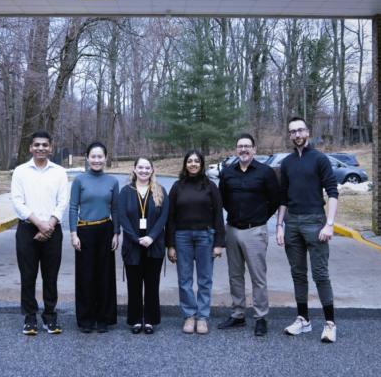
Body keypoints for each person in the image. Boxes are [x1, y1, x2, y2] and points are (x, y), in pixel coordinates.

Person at [275, 116, 340, 343]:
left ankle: (330, 323)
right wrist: (279, 226)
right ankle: (303, 319)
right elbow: (283, 197)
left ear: (308, 132)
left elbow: (332, 192)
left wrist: (329, 224)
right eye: (293, 132)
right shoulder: (287, 163)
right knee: (298, 273)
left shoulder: (320, 159)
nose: (297, 135)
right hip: (292, 221)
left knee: (320, 274)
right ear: (290, 135)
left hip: (315, 221)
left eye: (300, 130)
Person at [217, 133, 281, 337]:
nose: (243, 149)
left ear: (254, 149)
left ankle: (261, 317)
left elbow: (275, 199)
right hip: (233, 230)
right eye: (239, 146)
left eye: (247, 146)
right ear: (236, 150)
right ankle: (238, 315)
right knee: (235, 275)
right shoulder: (227, 173)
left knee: (258, 277)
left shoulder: (266, 172)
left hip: (255, 231)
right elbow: (223, 200)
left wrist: (260, 216)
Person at [10, 130, 70, 336]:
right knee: (28, 275)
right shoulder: (20, 171)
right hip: (27, 229)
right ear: (31, 148)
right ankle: (30, 318)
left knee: (50, 276)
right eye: (37, 145)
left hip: (53, 229)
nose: (41, 148)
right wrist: (39, 224)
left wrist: (49, 226)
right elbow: (17, 202)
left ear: (50, 148)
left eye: (45, 145)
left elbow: (63, 202)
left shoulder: (59, 172)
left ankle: (50, 317)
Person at [166, 150, 225, 335]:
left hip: (205, 237)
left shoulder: (210, 186)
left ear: (201, 164)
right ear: (185, 164)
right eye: (189, 161)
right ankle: (189, 316)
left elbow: (218, 216)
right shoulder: (177, 187)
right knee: (184, 279)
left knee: (205, 279)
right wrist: (170, 245)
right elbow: (170, 218)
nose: (193, 164)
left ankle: (202, 318)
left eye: (196, 161)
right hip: (181, 237)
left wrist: (218, 243)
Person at [69, 142, 120, 333]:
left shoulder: (112, 181)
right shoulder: (79, 181)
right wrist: (74, 234)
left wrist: (116, 233)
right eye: (93, 156)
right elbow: (74, 207)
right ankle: (86, 319)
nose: (97, 160)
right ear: (87, 158)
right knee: (85, 276)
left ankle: (104, 318)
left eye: (101, 157)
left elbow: (115, 209)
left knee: (105, 276)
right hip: (85, 231)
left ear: (106, 158)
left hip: (106, 229)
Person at [118, 156, 169, 335]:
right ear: (134, 169)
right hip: (133, 245)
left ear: (152, 170)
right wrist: (135, 238)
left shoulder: (160, 190)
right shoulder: (126, 191)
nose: (144, 171)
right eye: (140, 167)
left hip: (154, 245)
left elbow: (164, 216)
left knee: (152, 284)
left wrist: (151, 237)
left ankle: (150, 320)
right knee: (134, 285)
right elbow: (122, 217)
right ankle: (135, 319)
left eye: (147, 168)